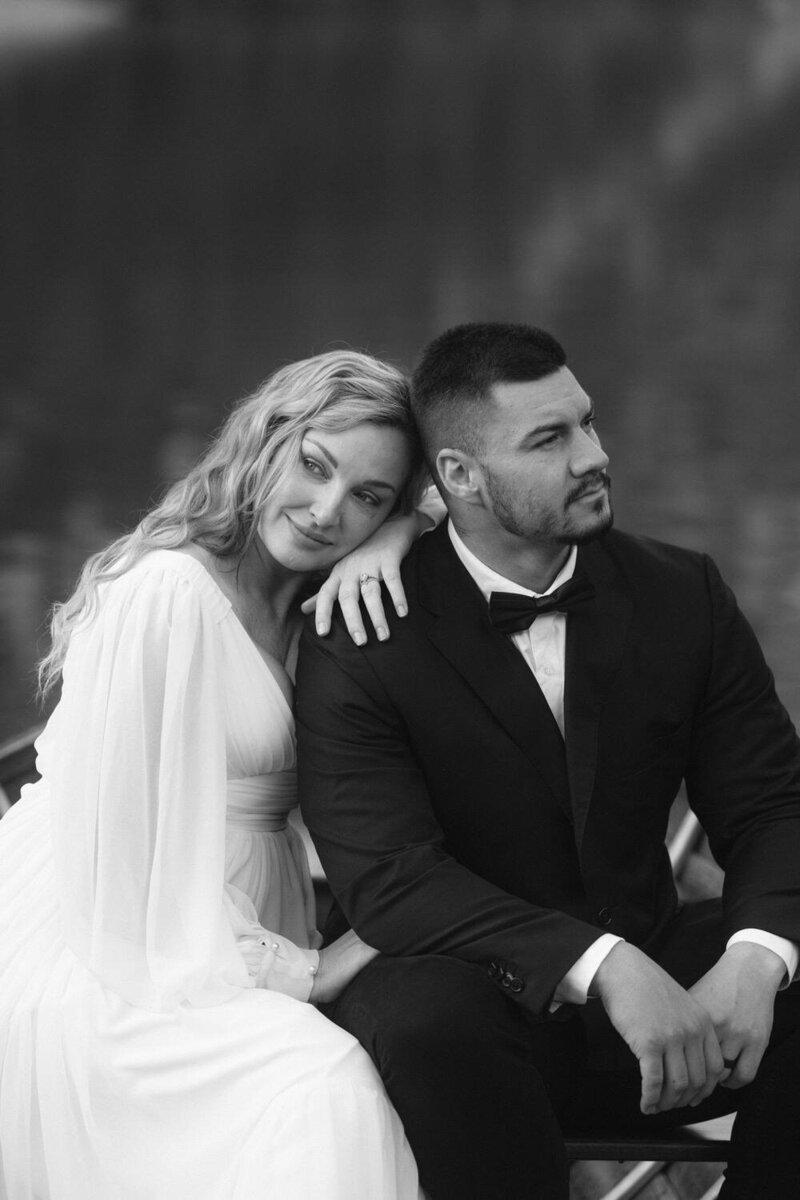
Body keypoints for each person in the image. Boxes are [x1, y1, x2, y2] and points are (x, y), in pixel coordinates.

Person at [295, 322, 800, 1200]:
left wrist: (753, 961)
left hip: (667, 1002)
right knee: (426, 1020)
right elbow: (391, 878)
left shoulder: (684, 595)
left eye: (588, 424)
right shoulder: (365, 631)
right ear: (459, 478)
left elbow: (771, 808)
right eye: (550, 440)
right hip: (465, 1007)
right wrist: (602, 963)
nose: (593, 456)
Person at [0, 349, 433, 1200]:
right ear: (267, 438)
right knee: (324, 1088)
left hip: (223, 917)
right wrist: (311, 971)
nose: (325, 511)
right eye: (314, 465)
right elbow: (127, 880)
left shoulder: (315, 603)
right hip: (112, 938)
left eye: (366, 499)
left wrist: (400, 534)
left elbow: (461, 498)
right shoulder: (169, 593)